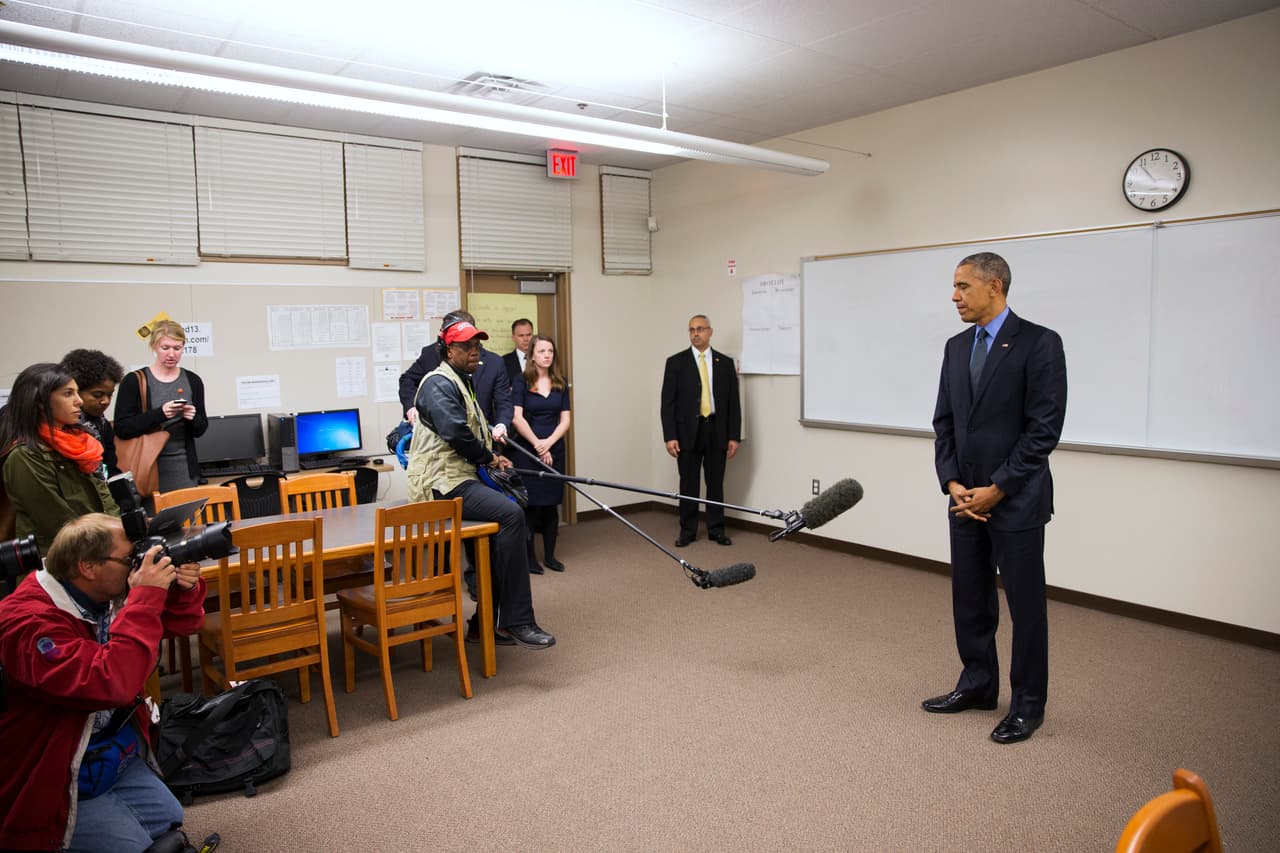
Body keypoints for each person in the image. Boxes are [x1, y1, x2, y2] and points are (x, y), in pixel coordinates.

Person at [924, 251, 1068, 745]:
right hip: (965, 499)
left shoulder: (1040, 344)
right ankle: (978, 684)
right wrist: (952, 483)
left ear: (996, 287)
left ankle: (1028, 705)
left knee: (1026, 608)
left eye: (964, 286)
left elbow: (1043, 431)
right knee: (970, 599)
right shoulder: (954, 347)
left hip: (1017, 499)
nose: (955, 296)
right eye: (955, 286)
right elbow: (944, 422)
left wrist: (998, 488)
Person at [0, 512, 207, 852]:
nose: (138, 566)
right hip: (52, 768)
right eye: (131, 559)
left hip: (102, 748)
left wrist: (180, 589)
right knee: (137, 845)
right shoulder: (26, 623)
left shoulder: (97, 595)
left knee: (169, 818)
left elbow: (180, 624)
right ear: (88, 567)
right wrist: (144, 598)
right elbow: (109, 682)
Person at [405, 316, 555, 650]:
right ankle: (517, 621)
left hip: (461, 475)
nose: (474, 352)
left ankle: (486, 623)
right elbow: (456, 432)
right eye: (466, 346)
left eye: (477, 346)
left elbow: (473, 431)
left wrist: (493, 454)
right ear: (449, 349)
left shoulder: (463, 380)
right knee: (511, 515)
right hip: (439, 483)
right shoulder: (437, 383)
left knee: (502, 528)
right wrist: (487, 458)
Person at [0, 363, 119, 552]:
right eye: (68, 394)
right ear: (40, 402)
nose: (79, 401)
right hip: (60, 560)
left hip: (98, 548)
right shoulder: (24, 456)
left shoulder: (80, 444)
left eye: (77, 392)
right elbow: (58, 524)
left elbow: (105, 500)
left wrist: (123, 529)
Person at [660, 314, 742, 547]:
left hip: (716, 430)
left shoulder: (724, 363)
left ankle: (716, 529)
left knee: (716, 482)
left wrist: (734, 435)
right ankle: (688, 531)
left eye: (700, 329)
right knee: (689, 483)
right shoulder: (676, 362)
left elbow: (733, 404)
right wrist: (670, 435)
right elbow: (667, 403)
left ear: (710, 332)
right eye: (691, 330)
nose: (695, 333)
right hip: (687, 433)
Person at [113, 320, 208, 492]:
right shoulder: (134, 381)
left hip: (184, 469)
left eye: (177, 348)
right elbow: (122, 428)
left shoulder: (193, 380)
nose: (172, 354)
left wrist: (193, 417)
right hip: (146, 468)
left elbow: (200, 430)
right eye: (165, 348)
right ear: (153, 347)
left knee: (187, 515)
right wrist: (161, 413)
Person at [398, 309, 512, 442]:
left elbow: (504, 402)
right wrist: (412, 408)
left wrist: (501, 425)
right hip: (438, 442)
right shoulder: (431, 354)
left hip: (481, 440)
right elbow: (407, 381)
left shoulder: (495, 363)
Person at [512, 334, 571, 573]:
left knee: (550, 504)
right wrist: (538, 444)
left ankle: (550, 556)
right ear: (532, 355)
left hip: (554, 448)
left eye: (550, 351)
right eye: (541, 351)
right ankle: (529, 559)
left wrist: (549, 444)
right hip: (528, 448)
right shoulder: (521, 381)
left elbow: (565, 420)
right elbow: (516, 417)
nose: (547, 355)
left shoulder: (560, 382)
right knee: (532, 506)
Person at [60, 348, 126, 478]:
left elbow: (111, 466)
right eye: (97, 395)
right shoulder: (63, 426)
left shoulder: (102, 424)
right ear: (74, 391)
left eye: (110, 395)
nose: (106, 401)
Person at [502, 317, 534, 384]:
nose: (526, 339)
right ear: (513, 338)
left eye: (529, 335)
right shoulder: (503, 362)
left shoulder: (542, 358)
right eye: (521, 335)